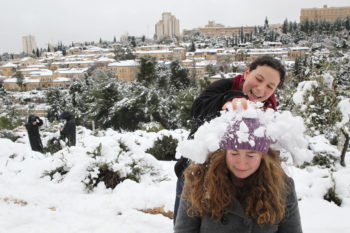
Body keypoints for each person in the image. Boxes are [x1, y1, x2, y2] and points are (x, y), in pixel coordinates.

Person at [173, 55, 286, 223]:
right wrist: (230, 99)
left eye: (270, 86)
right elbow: (197, 112)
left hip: (241, 180)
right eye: (258, 79)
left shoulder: (269, 108)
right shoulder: (224, 87)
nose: (261, 90)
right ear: (247, 72)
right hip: (198, 177)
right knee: (187, 223)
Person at [174, 117, 303, 233]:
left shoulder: (283, 186)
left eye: (251, 155)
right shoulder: (199, 181)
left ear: (263, 156)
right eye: (234, 154)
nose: (242, 163)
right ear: (223, 153)